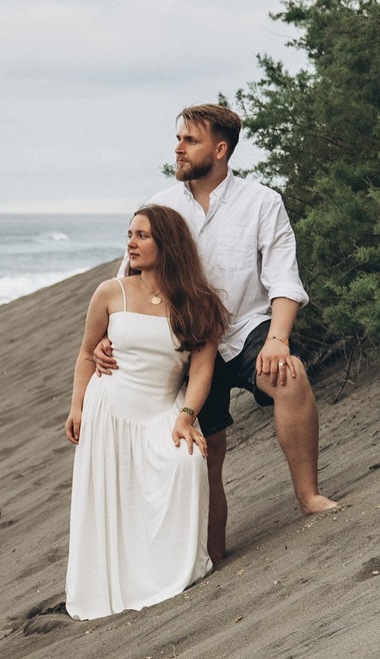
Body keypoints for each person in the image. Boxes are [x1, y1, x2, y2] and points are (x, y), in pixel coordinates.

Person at [95, 103, 337, 562]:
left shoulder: (262, 202)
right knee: (205, 452)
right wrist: (110, 335)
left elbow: (284, 281)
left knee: (289, 375)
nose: (178, 148)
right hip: (184, 343)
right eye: (178, 139)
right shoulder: (162, 205)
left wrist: (278, 340)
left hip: (246, 328)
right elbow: (128, 278)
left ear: (220, 149)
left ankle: (309, 497)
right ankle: (212, 553)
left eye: (190, 140)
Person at [63, 205, 221, 619]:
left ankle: (172, 572)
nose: (131, 243)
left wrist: (186, 416)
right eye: (129, 235)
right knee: (114, 501)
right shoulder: (110, 292)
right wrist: (77, 406)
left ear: (167, 244)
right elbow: (86, 353)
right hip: (108, 410)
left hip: (164, 410)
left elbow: (201, 370)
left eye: (142, 236)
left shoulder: (199, 303)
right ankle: (112, 588)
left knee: (187, 462)